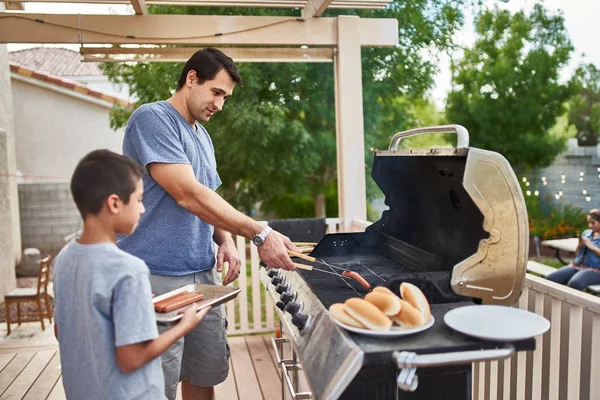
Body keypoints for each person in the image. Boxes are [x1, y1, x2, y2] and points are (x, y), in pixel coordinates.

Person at [117, 48, 298, 400]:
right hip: (157, 277)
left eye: (226, 97)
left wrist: (226, 241)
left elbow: (208, 195)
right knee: (158, 385)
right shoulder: (153, 119)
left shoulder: (202, 135)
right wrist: (260, 233)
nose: (220, 104)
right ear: (191, 78)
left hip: (202, 277)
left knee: (203, 375)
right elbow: (187, 194)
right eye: (216, 92)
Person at [53, 149, 210, 400]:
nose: (142, 209)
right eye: (138, 200)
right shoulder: (129, 269)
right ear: (115, 203)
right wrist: (184, 326)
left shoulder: (63, 259)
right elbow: (131, 359)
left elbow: (62, 331)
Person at [547, 209, 600, 291]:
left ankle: (575, 304)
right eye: (588, 222)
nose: (590, 226)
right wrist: (579, 245)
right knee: (551, 278)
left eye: (593, 223)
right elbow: (577, 254)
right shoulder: (586, 233)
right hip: (577, 266)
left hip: (595, 270)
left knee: (575, 283)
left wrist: (592, 247)